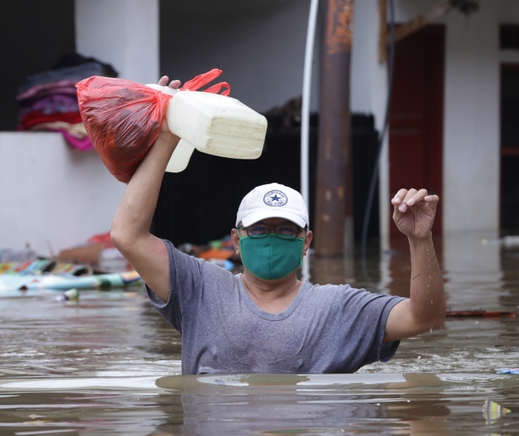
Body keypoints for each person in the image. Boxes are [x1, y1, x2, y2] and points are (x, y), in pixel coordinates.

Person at [111, 76, 446, 375]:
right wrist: (168, 136)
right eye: (258, 230)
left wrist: (420, 239)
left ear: (306, 241)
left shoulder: (338, 308)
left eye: (285, 230)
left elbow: (423, 318)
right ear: (236, 239)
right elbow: (128, 236)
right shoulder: (198, 289)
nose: (271, 239)